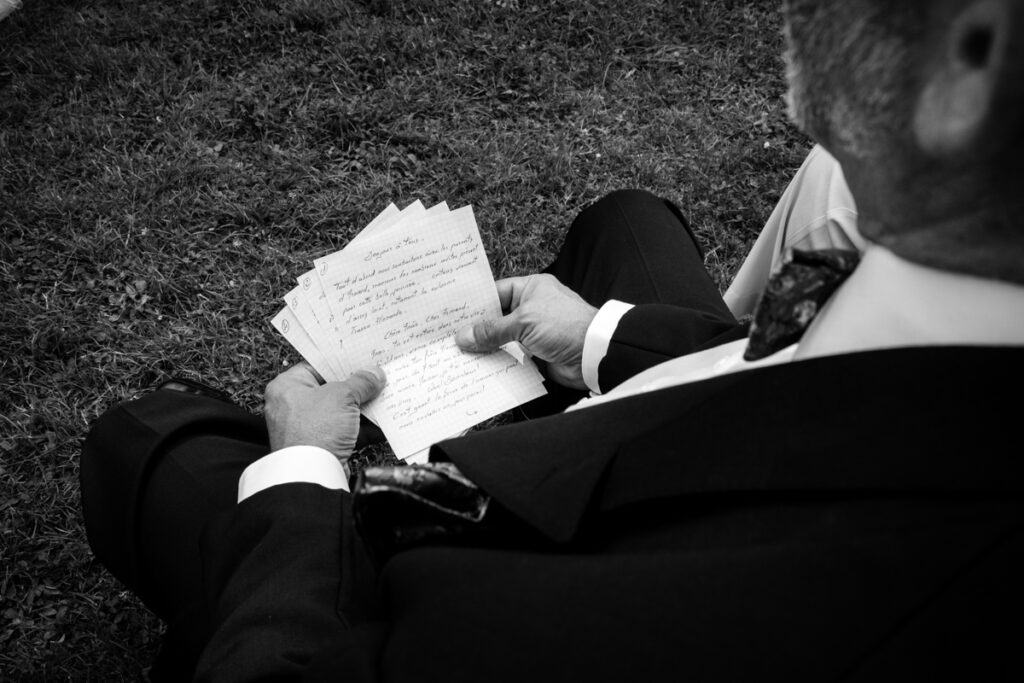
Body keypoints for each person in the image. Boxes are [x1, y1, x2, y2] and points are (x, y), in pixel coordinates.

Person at [81, 0, 1024, 680]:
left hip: (445, 572)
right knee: (628, 220)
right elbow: (785, 386)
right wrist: (604, 341)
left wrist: (297, 480)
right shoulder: (954, 296)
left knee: (145, 441)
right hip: (638, 433)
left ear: (970, 56)